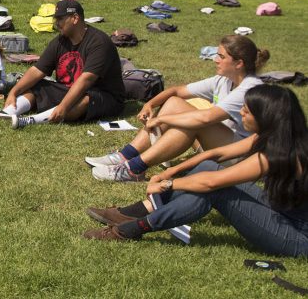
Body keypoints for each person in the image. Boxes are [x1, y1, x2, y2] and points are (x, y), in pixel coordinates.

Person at [83, 85, 308, 257]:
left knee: (215, 190)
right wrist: (170, 173)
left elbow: (212, 183)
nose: (240, 113)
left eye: (246, 111)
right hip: (282, 212)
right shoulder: (279, 136)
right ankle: (135, 212)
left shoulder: (278, 156)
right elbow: (216, 155)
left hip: (297, 237)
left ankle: (130, 229)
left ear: (265, 117)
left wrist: (167, 185)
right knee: (208, 167)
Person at [87, 35, 269, 182]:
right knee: (175, 102)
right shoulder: (224, 79)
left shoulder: (249, 88)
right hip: (221, 144)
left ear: (239, 63)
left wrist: (161, 119)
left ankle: (134, 169)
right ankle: (126, 156)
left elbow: (206, 119)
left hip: (243, 158)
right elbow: (177, 91)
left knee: (195, 122)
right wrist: (150, 105)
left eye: (221, 56)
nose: (215, 60)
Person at [0, 0, 125, 128]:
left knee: (83, 99)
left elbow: (85, 81)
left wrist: (63, 107)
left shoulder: (99, 42)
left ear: (75, 18)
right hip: (70, 89)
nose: (56, 23)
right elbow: (37, 71)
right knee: (37, 85)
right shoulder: (60, 41)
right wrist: (13, 92)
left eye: (60, 19)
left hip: (104, 95)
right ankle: (8, 113)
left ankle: (29, 121)